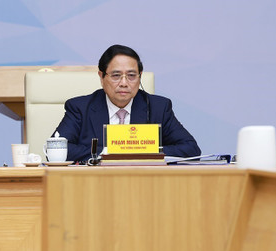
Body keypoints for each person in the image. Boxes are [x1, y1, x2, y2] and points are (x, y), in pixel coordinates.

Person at [53, 44, 201, 163]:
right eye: (116, 76)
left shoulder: (158, 107)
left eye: (131, 76)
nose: (124, 83)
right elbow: (56, 149)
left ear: (140, 77)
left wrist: (144, 152)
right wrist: (109, 154)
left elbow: (191, 148)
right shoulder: (80, 108)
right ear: (101, 76)